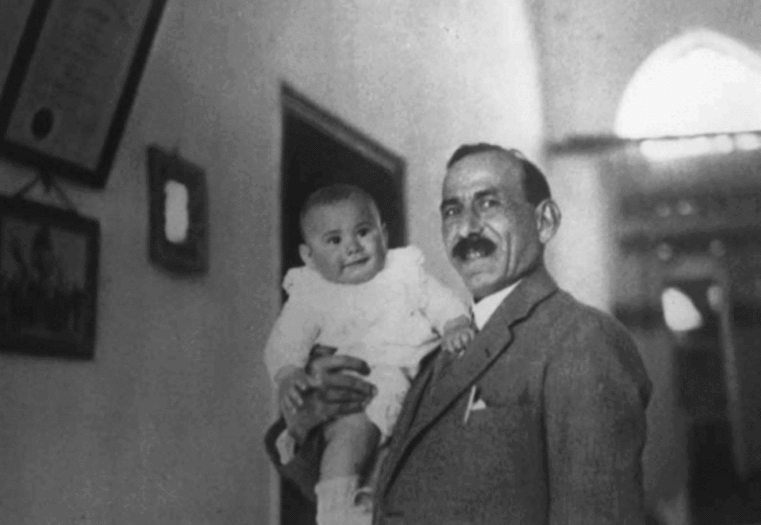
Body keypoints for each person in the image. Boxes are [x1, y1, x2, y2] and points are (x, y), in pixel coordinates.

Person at [266, 144, 652, 525]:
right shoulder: (429, 345)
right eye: (452, 211)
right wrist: (307, 423)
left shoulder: (579, 338)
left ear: (545, 221)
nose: (467, 228)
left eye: (489, 203)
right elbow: (378, 495)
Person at [264, 184, 475, 525]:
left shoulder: (405, 273)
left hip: (403, 381)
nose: (352, 247)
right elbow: (284, 340)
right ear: (309, 257)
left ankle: (364, 507)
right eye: (334, 240)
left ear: (384, 235)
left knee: (388, 460)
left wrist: (455, 325)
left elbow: (442, 302)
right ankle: (337, 513)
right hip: (355, 389)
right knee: (348, 439)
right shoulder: (311, 294)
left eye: (363, 232)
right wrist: (289, 374)